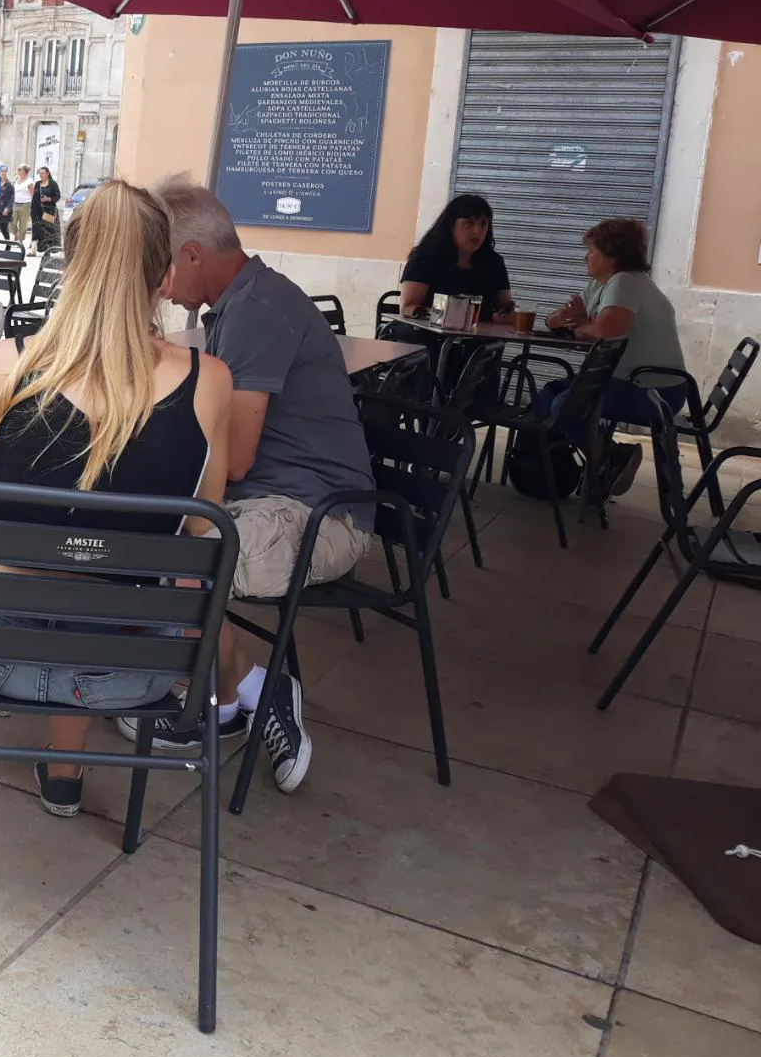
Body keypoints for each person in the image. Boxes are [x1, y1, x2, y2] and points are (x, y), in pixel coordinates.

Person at [0, 179, 234, 816]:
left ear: (69, 268)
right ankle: (65, 764)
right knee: (111, 581)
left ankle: (64, 765)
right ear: (165, 277)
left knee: (6, 565)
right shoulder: (208, 381)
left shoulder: (5, 365)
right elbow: (202, 531)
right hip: (134, 668)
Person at [152, 175, 378, 792]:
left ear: (191, 255)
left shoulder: (255, 310)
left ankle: (257, 684)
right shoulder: (244, 301)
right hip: (275, 502)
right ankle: (230, 701)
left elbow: (235, 460)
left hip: (319, 516)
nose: (160, 287)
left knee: (170, 560)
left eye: (160, 268)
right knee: (153, 539)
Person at [541, 217, 687, 496]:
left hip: (653, 392)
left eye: (592, 250)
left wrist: (579, 327)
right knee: (549, 393)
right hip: (631, 382)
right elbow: (559, 318)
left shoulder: (625, 282)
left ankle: (610, 457)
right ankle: (576, 467)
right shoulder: (600, 285)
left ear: (612, 256)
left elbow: (604, 332)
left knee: (566, 405)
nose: (586, 257)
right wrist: (560, 319)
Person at [399, 194, 514, 323]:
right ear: (450, 226)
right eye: (469, 223)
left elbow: (505, 308)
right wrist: (453, 315)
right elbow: (407, 308)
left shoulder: (494, 262)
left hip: (481, 334)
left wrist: (506, 315)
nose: (477, 231)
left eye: (483, 224)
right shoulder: (425, 258)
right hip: (428, 331)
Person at [30, 165, 61, 254]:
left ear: (47, 174)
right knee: (36, 229)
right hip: (37, 211)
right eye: (40, 173)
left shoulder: (53, 184)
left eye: (43, 173)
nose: (41, 175)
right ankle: (33, 250)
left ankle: (48, 250)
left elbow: (58, 196)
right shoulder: (37, 184)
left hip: (49, 211)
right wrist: (32, 210)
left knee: (49, 231)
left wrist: (49, 199)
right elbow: (34, 198)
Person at [11, 165, 33, 245]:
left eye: (20, 169)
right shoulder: (16, 178)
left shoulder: (29, 181)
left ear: (25, 171)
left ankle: (20, 241)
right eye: (18, 169)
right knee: (12, 222)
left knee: (23, 224)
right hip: (14, 203)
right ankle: (16, 234)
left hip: (25, 204)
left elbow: (32, 194)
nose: (18, 170)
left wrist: (33, 206)